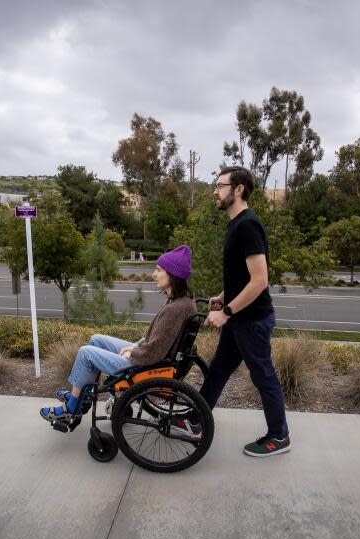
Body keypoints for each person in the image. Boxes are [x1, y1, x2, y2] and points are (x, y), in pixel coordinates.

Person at [179, 165, 290, 457]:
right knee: (218, 369)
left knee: (263, 375)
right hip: (240, 318)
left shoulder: (247, 225)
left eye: (220, 185)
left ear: (238, 189)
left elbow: (260, 280)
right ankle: (196, 421)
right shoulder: (236, 224)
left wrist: (226, 311)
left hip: (251, 321)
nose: (215, 191)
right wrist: (223, 296)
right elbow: (243, 277)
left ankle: (279, 437)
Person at [40, 245, 197, 425]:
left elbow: (156, 350)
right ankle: (82, 397)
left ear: (173, 275)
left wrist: (133, 353)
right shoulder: (182, 301)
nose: (154, 274)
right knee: (96, 339)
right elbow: (157, 339)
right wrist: (136, 345)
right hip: (150, 359)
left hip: (146, 367)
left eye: (159, 270)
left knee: (85, 353)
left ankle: (71, 409)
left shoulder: (175, 309)